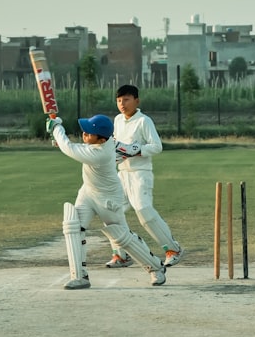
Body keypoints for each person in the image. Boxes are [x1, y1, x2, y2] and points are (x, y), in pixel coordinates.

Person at [47, 114, 167, 289]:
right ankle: (80, 276)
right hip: (88, 192)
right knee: (74, 226)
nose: (84, 134)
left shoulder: (99, 154)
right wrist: (58, 138)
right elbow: (78, 146)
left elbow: (69, 148)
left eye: (89, 133)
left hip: (108, 198)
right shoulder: (106, 142)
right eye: (85, 132)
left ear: (101, 138)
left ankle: (156, 267)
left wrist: (57, 128)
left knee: (120, 235)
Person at [104, 84, 185, 269]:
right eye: (118, 100)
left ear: (136, 100)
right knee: (111, 212)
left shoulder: (143, 121)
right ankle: (120, 255)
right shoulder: (117, 120)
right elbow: (115, 144)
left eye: (126, 99)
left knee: (144, 212)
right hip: (122, 173)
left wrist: (136, 149)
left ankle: (173, 249)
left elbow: (156, 146)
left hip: (140, 174)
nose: (122, 104)